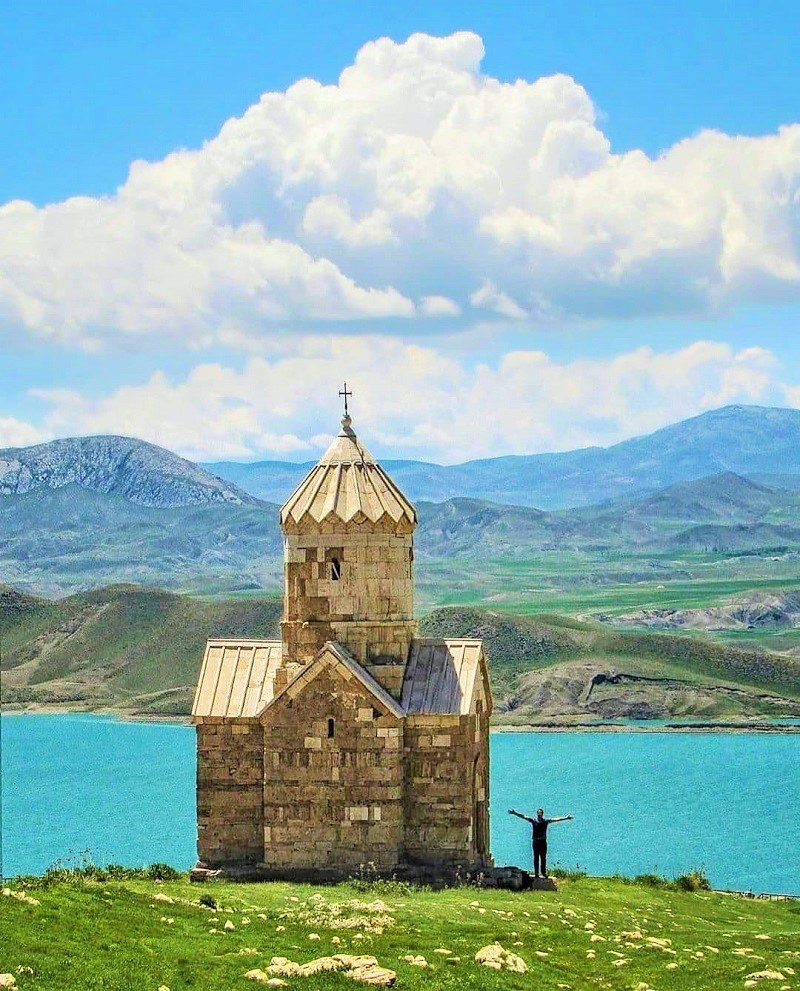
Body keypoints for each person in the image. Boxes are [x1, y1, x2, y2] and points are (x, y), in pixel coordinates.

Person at [508, 807, 573, 878]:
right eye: (538, 813)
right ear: (537, 814)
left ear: (542, 814)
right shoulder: (534, 821)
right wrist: (515, 813)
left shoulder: (545, 822)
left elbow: (555, 820)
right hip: (536, 842)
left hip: (543, 842)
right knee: (536, 858)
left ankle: (543, 873)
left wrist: (566, 818)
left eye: (540, 813)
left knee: (543, 858)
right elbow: (524, 816)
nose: (539, 815)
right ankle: (536, 873)